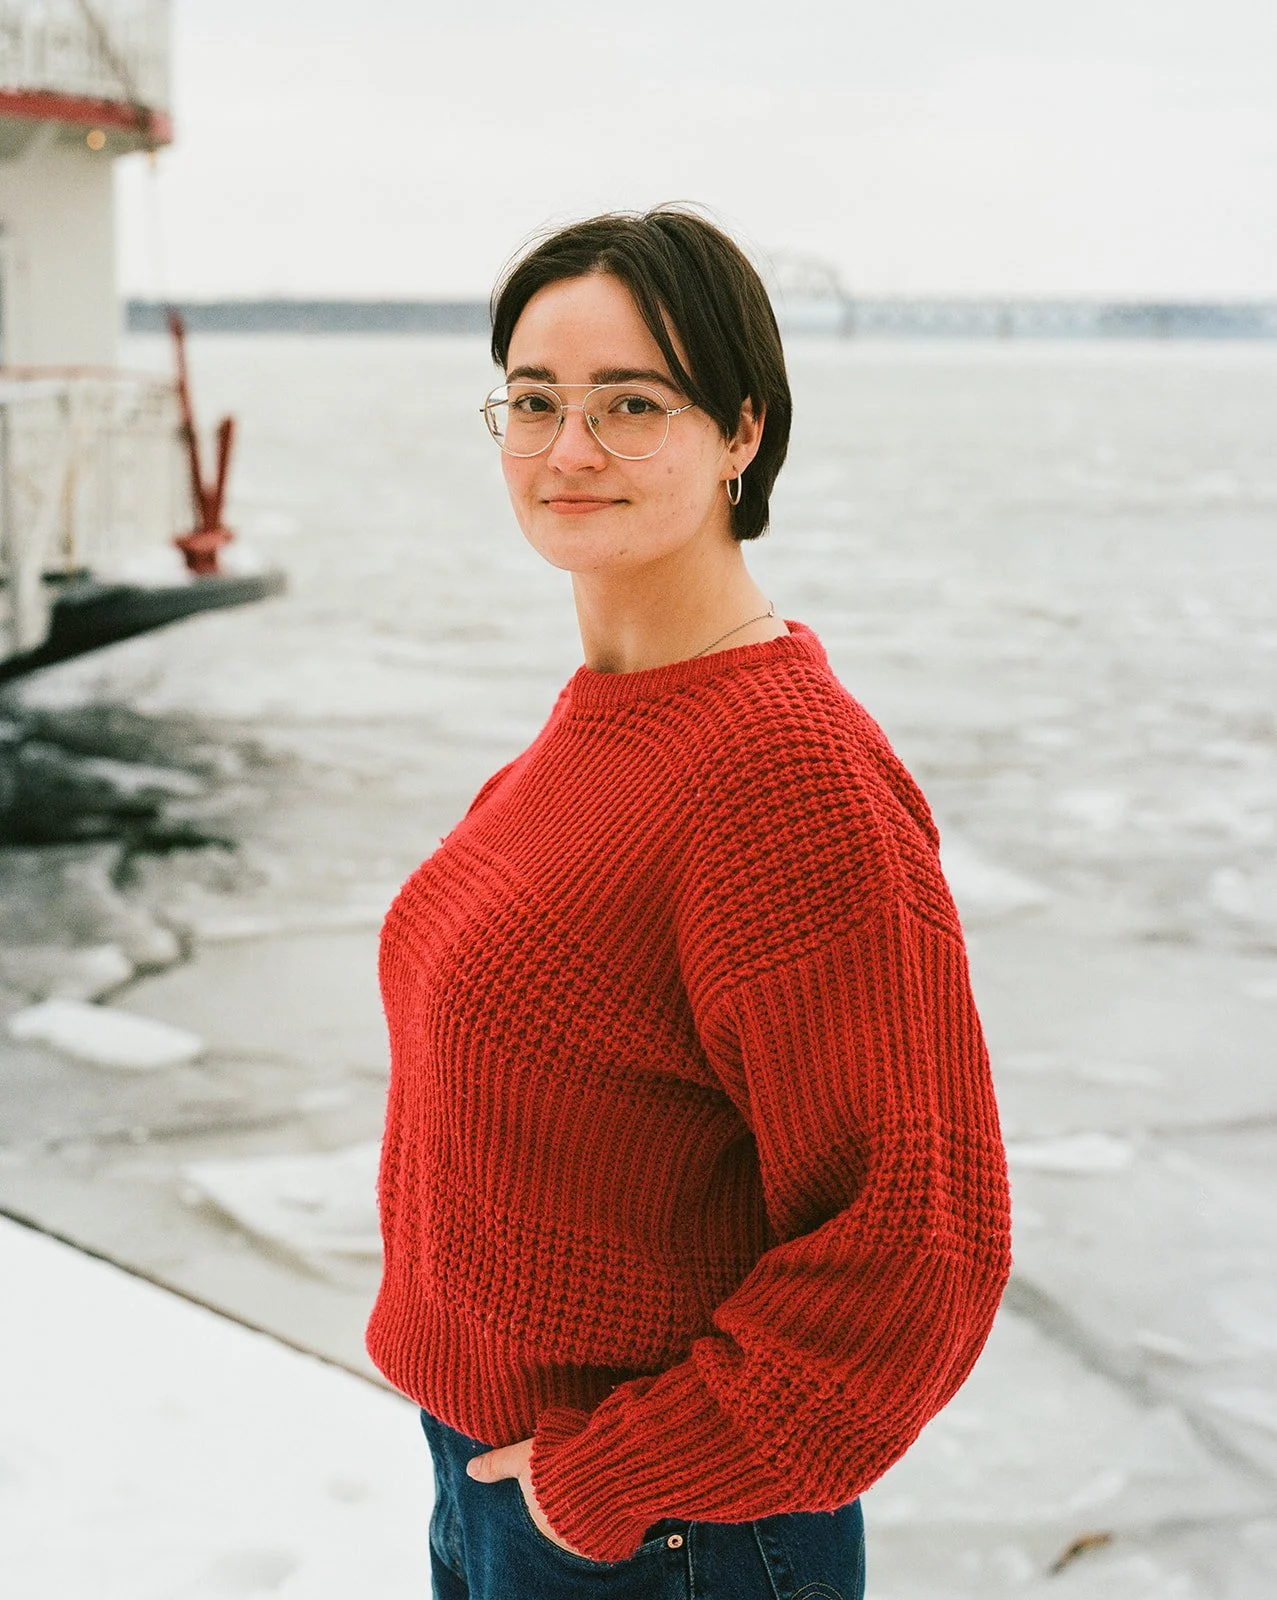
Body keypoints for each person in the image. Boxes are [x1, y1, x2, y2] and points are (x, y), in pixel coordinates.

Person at [366, 207, 1012, 1600]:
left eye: (630, 404)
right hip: (508, 1490)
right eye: (534, 401)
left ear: (743, 431)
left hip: (669, 1532)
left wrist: (604, 1485)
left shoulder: (786, 774)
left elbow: (918, 1248)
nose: (568, 449)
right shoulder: (612, 716)